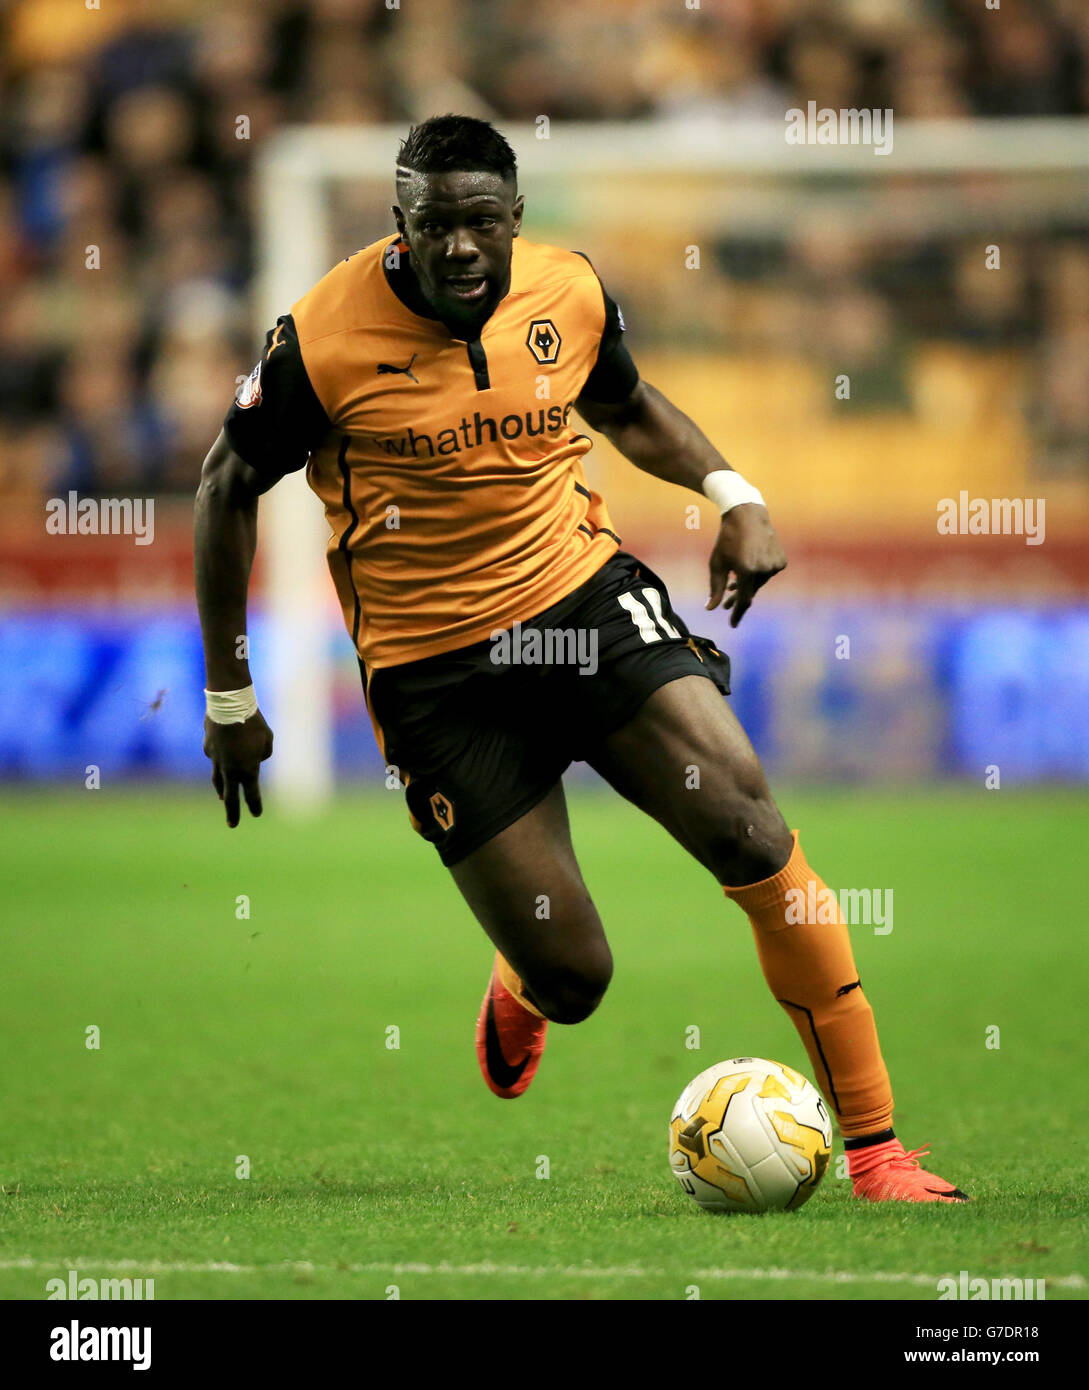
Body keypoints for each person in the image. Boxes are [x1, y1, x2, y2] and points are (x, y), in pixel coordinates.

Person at [194, 115, 967, 1203]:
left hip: (582, 605)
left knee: (751, 831)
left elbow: (629, 407)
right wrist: (230, 693)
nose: (458, 247)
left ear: (516, 217)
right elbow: (225, 487)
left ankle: (881, 1150)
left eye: (479, 222)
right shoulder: (320, 339)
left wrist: (732, 496)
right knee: (577, 975)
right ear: (398, 226)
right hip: (434, 673)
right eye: (432, 226)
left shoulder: (568, 291)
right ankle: (527, 978)